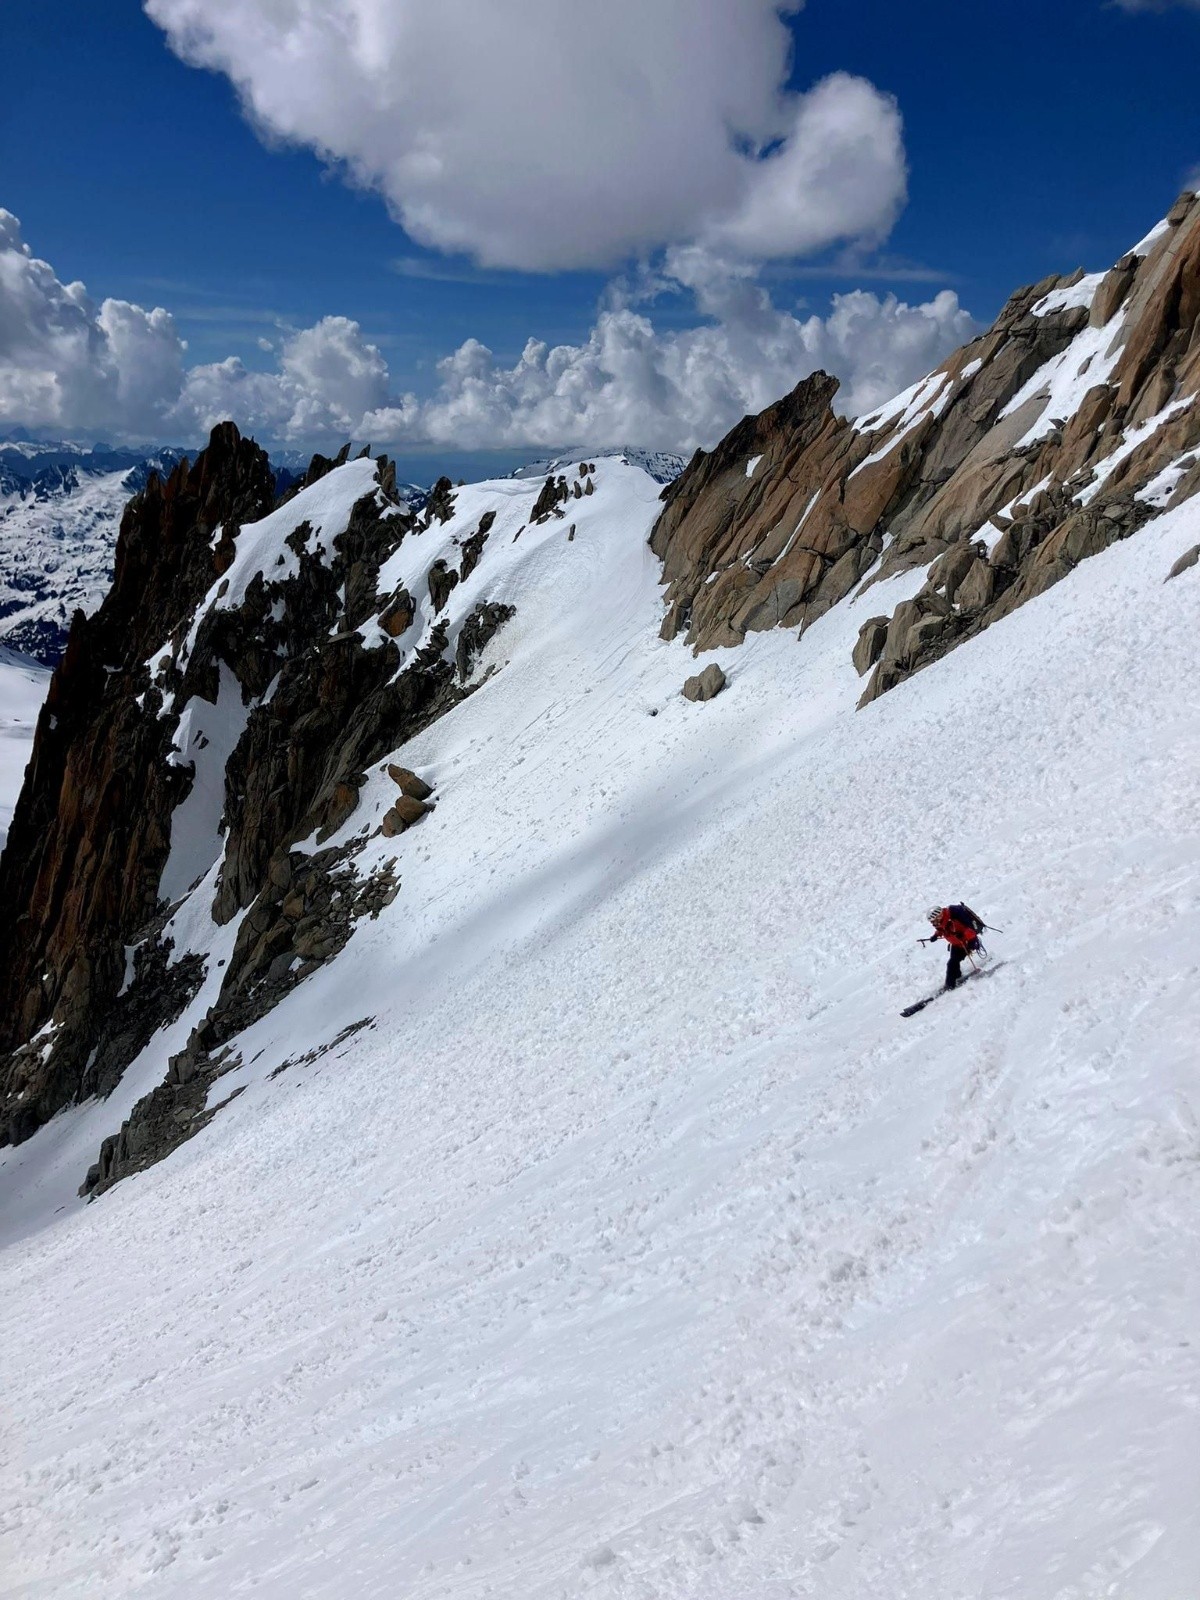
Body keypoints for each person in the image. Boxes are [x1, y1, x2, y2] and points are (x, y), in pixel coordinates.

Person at [925, 904, 985, 990]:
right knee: (954, 961)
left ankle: (950, 985)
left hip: (965, 945)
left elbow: (969, 932)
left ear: (938, 916)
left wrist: (971, 943)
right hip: (956, 945)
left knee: (952, 963)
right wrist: (935, 936)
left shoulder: (952, 921)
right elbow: (941, 930)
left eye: (933, 921)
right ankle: (957, 976)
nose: (932, 924)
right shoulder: (943, 921)